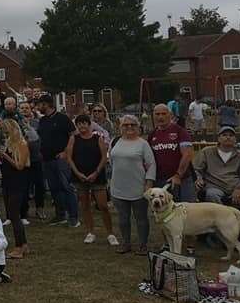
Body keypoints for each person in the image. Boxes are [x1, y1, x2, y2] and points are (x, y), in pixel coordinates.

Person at [66, 115, 117, 247]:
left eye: (84, 124)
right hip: (80, 176)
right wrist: (77, 173)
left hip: (97, 176)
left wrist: (96, 172)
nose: (82, 126)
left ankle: (110, 233)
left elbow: (104, 157)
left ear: (89, 125)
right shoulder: (73, 139)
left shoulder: (97, 138)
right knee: (85, 205)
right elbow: (69, 157)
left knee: (103, 206)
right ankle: (90, 231)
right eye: (79, 124)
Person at [109, 114, 156, 254]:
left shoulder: (143, 144)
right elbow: (112, 161)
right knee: (123, 219)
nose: (129, 127)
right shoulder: (115, 141)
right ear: (120, 127)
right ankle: (126, 243)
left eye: (132, 125)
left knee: (141, 218)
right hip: (118, 187)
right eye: (125, 125)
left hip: (138, 188)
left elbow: (151, 164)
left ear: (138, 127)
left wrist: (149, 183)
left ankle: (143, 245)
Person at [37, 94, 80, 228]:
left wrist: (66, 151)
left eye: (40, 104)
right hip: (46, 159)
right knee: (54, 188)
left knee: (66, 187)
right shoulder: (42, 120)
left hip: (60, 159)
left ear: (47, 104)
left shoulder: (62, 118)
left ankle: (74, 217)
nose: (38, 107)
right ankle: (60, 214)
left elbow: (74, 134)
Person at [147, 104, 194, 203]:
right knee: (166, 213)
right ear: (153, 116)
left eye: (164, 114)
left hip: (181, 179)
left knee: (186, 211)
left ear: (170, 115)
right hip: (161, 180)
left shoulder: (180, 131)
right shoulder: (152, 135)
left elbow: (187, 154)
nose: (160, 117)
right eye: (157, 114)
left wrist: (178, 175)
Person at [0, 118, 30, 258]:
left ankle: (19, 247)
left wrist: (5, 156)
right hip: (8, 182)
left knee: (14, 215)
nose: (4, 135)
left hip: (17, 183)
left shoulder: (22, 144)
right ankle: (24, 244)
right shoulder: (8, 145)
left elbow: (20, 166)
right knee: (11, 214)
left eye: (6, 132)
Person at [193, 127, 240, 206]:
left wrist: (239, 188)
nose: (228, 137)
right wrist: (198, 178)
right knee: (211, 194)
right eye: (224, 135)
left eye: (231, 135)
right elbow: (196, 169)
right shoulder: (206, 151)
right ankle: (220, 216)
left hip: (234, 187)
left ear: (235, 139)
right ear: (218, 138)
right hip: (214, 186)